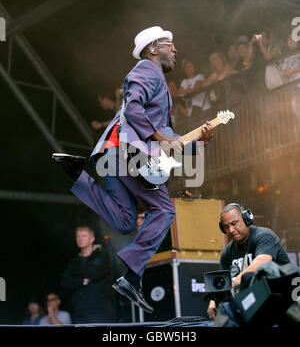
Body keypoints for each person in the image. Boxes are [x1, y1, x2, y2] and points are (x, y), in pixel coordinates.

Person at [52, 26, 214, 313]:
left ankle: (78, 175)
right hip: (128, 153)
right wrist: (160, 138)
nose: (175, 50)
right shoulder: (147, 70)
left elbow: (164, 137)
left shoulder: (157, 82)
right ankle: (131, 275)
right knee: (164, 210)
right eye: (169, 45)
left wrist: (197, 141)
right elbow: (134, 108)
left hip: (113, 156)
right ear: (153, 49)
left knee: (127, 222)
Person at [207, 203, 290, 321]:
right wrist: (213, 301)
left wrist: (233, 281)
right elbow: (222, 281)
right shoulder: (227, 252)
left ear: (247, 219)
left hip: (284, 304)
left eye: (234, 223)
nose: (231, 230)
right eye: (226, 227)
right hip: (255, 309)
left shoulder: (265, 236)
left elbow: (261, 262)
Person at [61, 225, 114, 323]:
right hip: (79, 311)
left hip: (99, 310)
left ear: (92, 239)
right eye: (78, 236)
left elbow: (94, 272)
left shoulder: (102, 256)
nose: (80, 239)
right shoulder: (74, 261)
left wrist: (77, 277)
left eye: (84, 236)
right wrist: (83, 281)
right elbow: (65, 281)